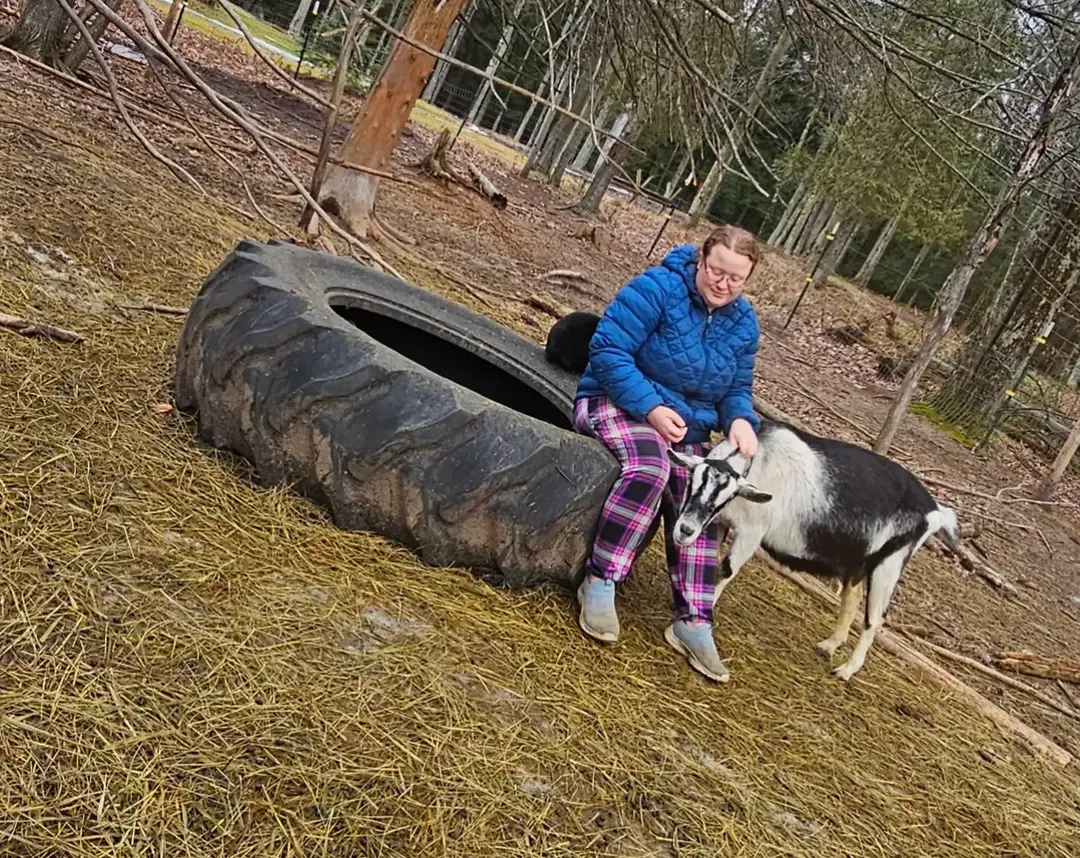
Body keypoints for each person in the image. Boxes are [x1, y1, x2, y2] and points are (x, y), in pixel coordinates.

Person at [572, 224, 762, 683]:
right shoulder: (656, 288)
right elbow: (608, 349)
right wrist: (651, 408)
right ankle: (601, 579)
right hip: (617, 401)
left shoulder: (744, 323)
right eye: (717, 271)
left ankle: (694, 619)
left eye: (736, 278)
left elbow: (737, 389)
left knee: (703, 497)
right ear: (700, 260)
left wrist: (740, 420)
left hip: (684, 429)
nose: (723, 284)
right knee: (651, 468)